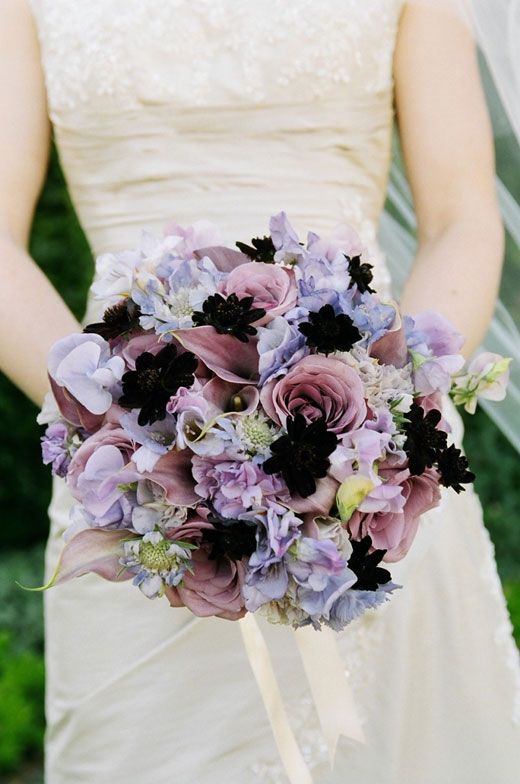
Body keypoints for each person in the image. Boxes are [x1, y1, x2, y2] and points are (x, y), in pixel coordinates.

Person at [1, 1, 519, 782]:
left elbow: (459, 218)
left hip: (366, 469)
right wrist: (114, 416)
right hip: (127, 484)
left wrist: (387, 407)